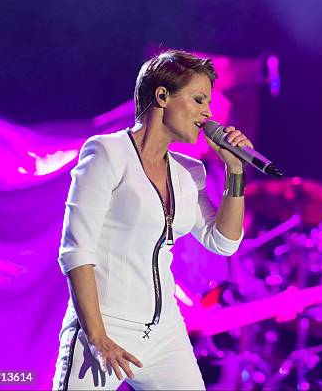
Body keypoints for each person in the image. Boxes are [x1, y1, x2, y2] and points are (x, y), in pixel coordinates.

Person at [51, 49, 253, 390]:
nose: (208, 113)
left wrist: (236, 170)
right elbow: (75, 252)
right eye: (199, 99)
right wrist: (98, 337)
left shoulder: (190, 172)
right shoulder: (106, 153)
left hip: (164, 333)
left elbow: (224, 241)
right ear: (162, 95)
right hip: (104, 327)